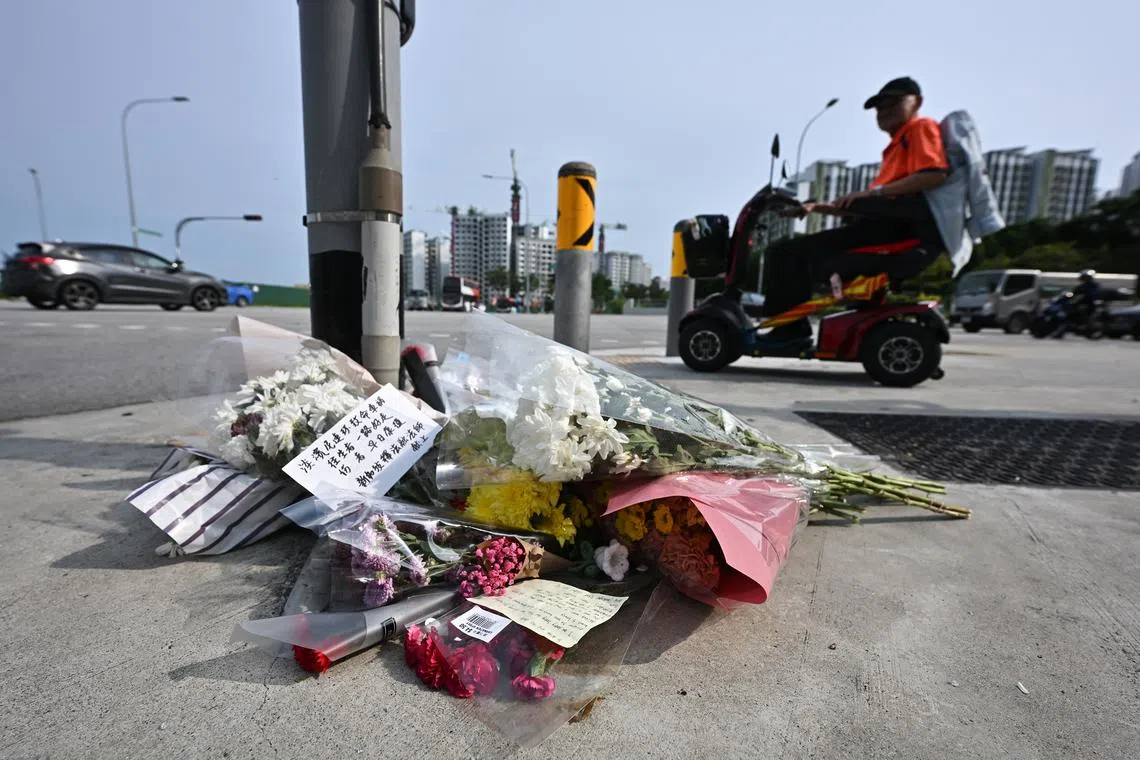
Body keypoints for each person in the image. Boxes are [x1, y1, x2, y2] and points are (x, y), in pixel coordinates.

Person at [762, 77, 950, 342]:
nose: (883, 110)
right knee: (794, 253)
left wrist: (872, 193)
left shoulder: (919, 128)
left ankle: (789, 328)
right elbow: (863, 207)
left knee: (786, 253)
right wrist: (816, 207)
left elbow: (933, 174)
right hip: (882, 226)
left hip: (898, 233)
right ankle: (791, 325)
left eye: (893, 102)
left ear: (916, 102)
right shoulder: (896, 145)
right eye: (879, 107)